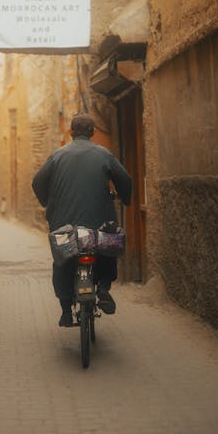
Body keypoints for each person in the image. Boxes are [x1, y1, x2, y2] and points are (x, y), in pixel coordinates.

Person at [32, 113, 132, 327]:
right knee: (107, 246)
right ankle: (103, 286)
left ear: (71, 132)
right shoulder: (104, 154)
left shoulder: (58, 155)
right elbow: (124, 178)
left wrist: (48, 202)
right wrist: (126, 198)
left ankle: (66, 311)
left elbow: (37, 181)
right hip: (98, 222)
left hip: (63, 224)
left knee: (62, 261)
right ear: (93, 132)